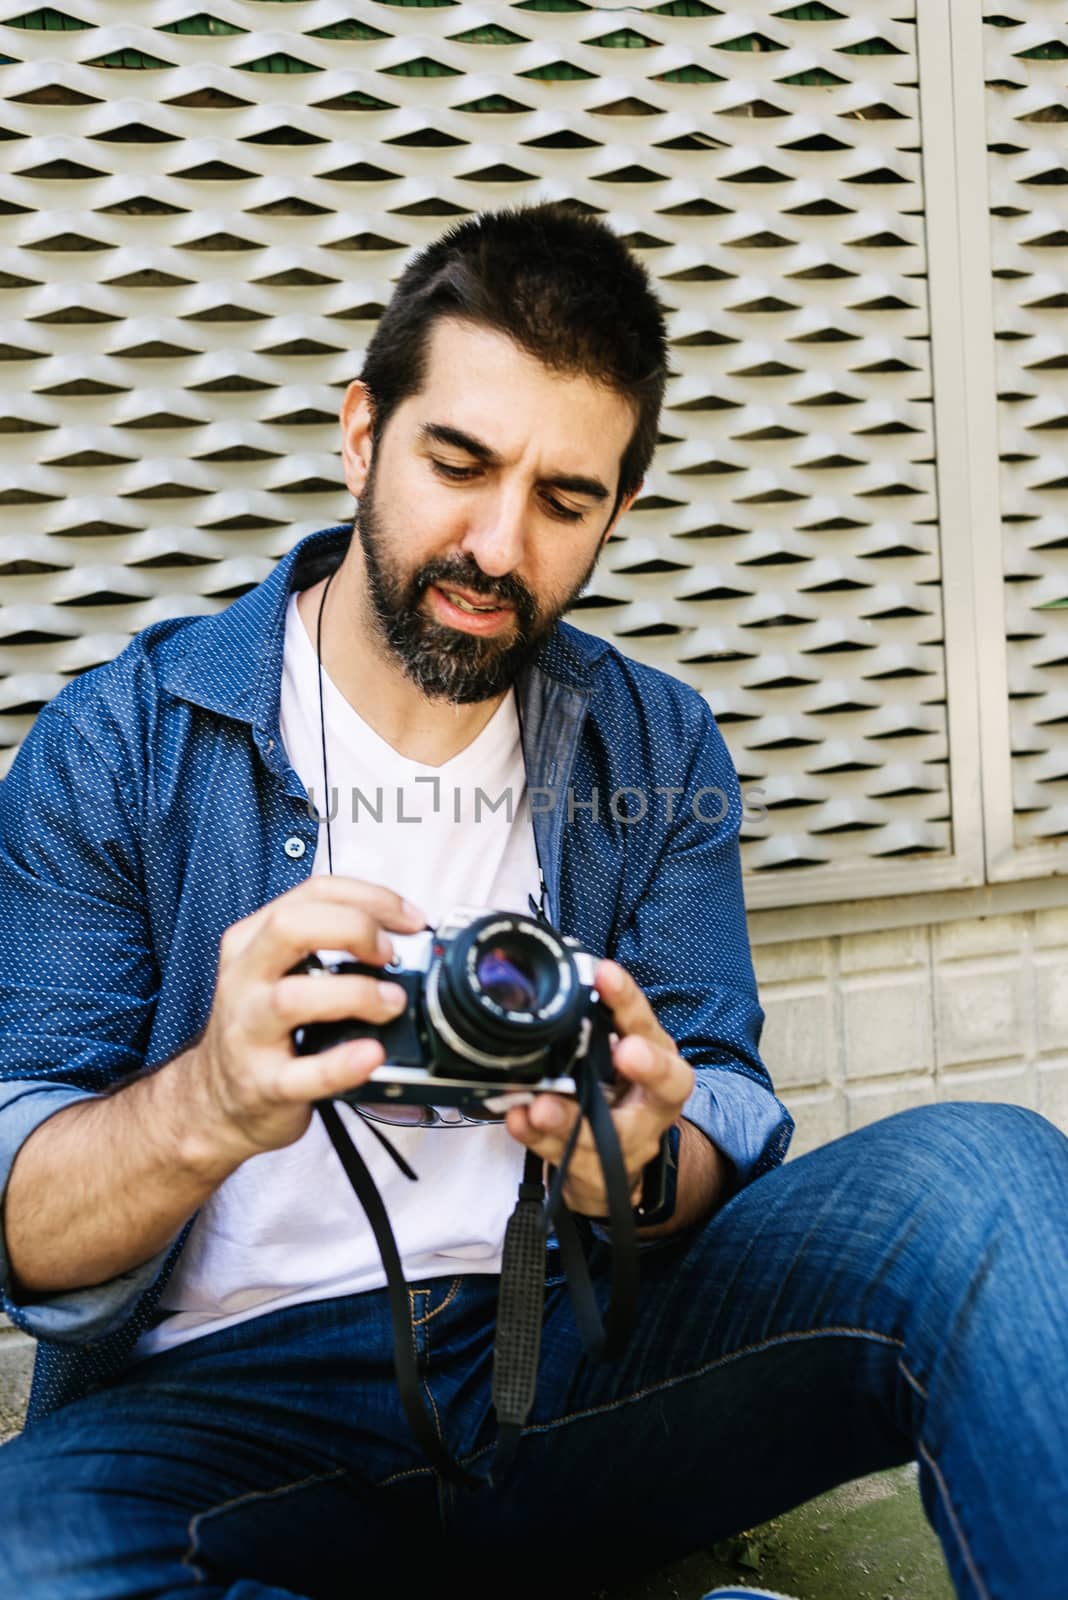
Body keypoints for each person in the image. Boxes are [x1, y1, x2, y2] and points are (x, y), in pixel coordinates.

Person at [0, 202, 1064, 1600]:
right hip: (220, 1408)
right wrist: (211, 1098)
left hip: (568, 1353)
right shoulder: (122, 743)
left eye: (564, 501)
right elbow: (21, 1217)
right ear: (363, 433)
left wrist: (629, 1163)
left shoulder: (657, 744)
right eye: (459, 463)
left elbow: (720, 1101)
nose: (498, 546)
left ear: (619, 512)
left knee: (988, 1177)